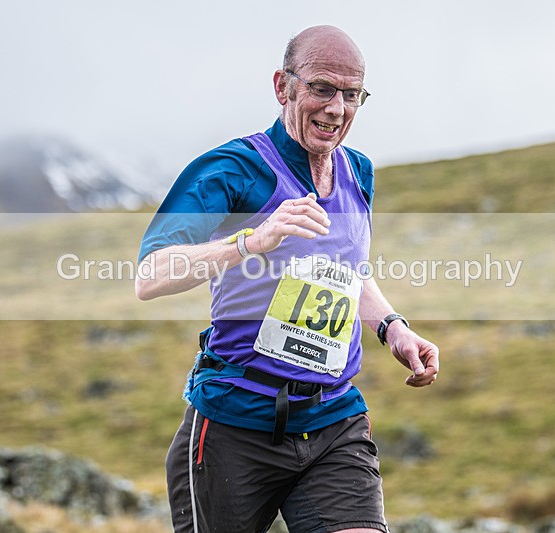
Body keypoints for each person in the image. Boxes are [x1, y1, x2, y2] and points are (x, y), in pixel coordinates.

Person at [136, 25, 439, 533]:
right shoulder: (233, 169)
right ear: (283, 86)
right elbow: (150, 275)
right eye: (322, 88)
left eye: (351, 95)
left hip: (331, 418)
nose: (336, 109)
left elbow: (347, 270)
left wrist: (392, 327)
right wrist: (251, 242)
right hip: (235, 423)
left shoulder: (358, 171)